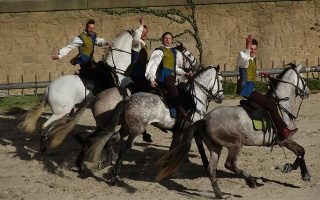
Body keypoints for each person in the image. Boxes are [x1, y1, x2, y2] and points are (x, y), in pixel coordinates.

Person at [236, 35, 297, 142]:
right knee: (271, 104)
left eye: (254, 49)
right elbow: (244, 61)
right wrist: (247, 47)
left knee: (271, 100)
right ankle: (284, 130)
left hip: (250, 89)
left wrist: (260, 73)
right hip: (246, 89)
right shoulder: (242, 56)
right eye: (251, 49)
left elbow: (250, 71)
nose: (252, 51)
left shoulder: (252, 59)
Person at [52, 19, 112, 94]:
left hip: (91, 60)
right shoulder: (80, 38)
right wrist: (59, 55)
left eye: (93, 28)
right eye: (90, 28)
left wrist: (106, 42)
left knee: (105, 67)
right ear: (86, 27)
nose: (91, 30)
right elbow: (69, 46)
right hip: (84, 61)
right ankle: (98, 92)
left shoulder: (93, 36)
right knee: (102, 73)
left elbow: (97, 41)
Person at [145, 32, 189, 118]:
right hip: (164, 78)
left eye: (169, 38)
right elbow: (154, 65)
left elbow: (174, 67)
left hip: (172, 77)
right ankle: (182, 110)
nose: (167, 40)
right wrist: (152, 79)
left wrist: (184, 73)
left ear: (172, 40)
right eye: (165, 38)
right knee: (174, 90)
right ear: (162, 40)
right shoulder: (160, 50)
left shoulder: (173, 52)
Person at [129, 16, 152, 93]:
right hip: (136, 74)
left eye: (146, 32)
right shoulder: (137, 43)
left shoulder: (145, 45)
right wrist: (141, 24)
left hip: (142, 74)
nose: (144, 34)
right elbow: (136, 37)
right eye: (143, 32)